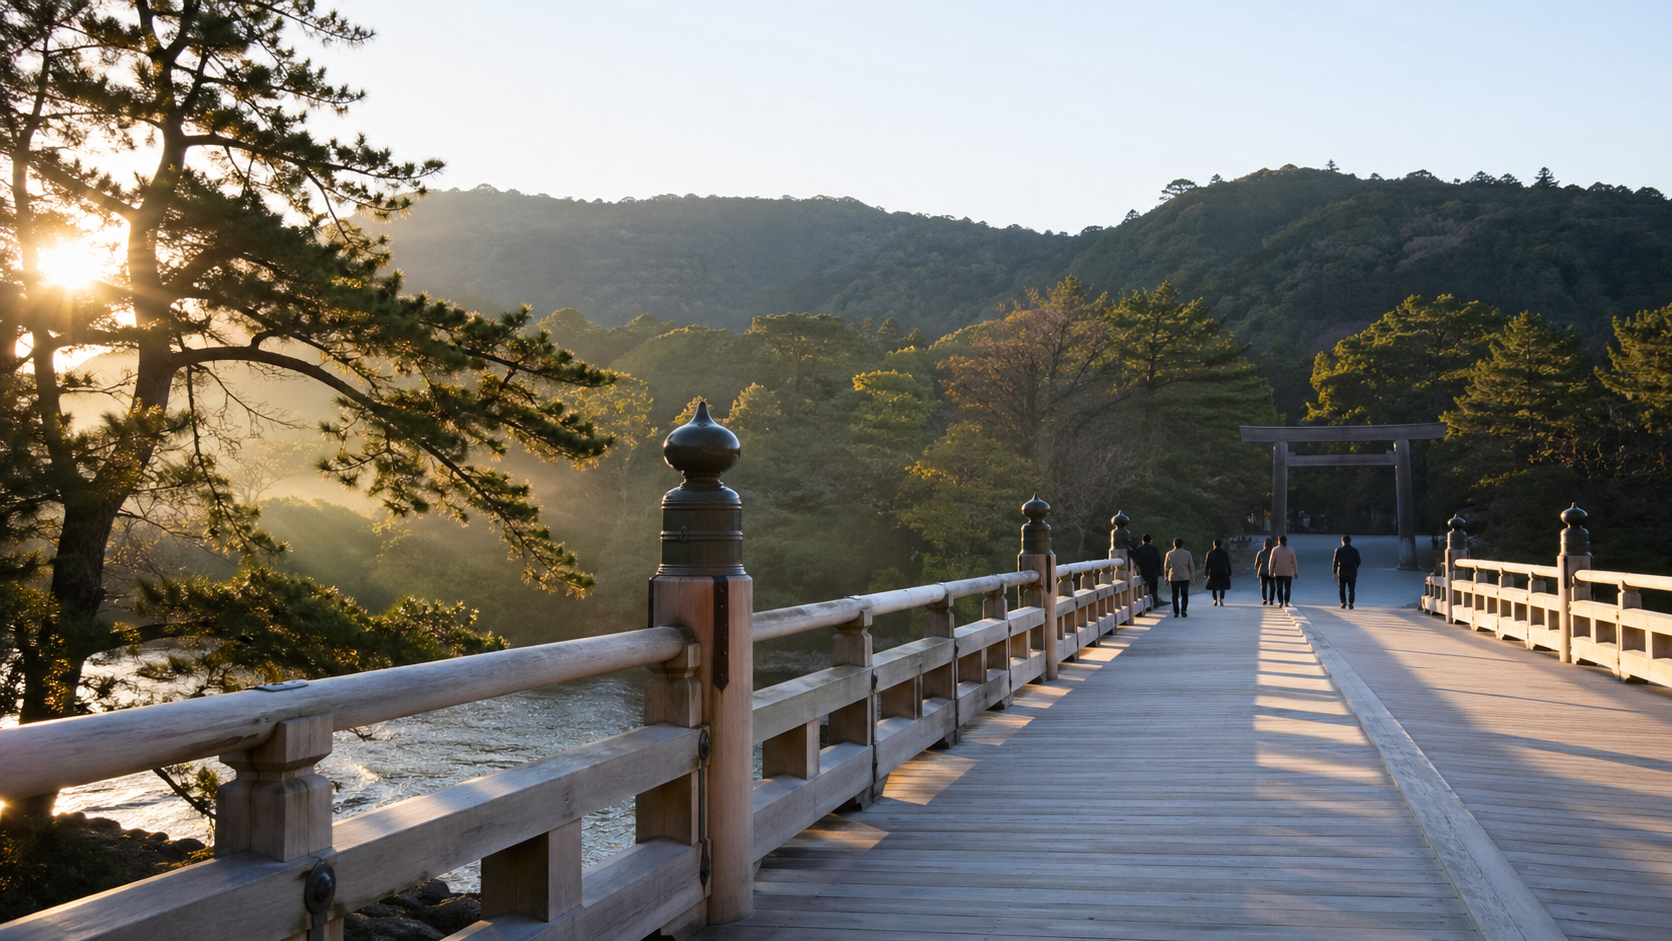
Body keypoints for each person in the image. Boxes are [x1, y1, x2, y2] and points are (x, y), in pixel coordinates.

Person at [1164, 537, 1196, 618]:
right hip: (1185, 577)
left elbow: (1166, 567)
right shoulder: (1187, 553)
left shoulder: (1169, 554)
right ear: (1182, 545)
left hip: (1174, 577)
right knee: (1184, 594)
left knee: (1175, 595)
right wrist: (1192, 577)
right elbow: (1191, 566)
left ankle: (1176, 612)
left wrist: (1166, 577)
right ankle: (1184, 610)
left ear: (1174, 544)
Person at [1132, 534, 1162, 608]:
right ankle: (1155, 602)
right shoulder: (1154, 549)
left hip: (1143, 571)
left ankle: (1147, 605)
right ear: (1151, 541)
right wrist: (1159, 572)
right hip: (1153, 571)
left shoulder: (1139, 549)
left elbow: (1136, 561)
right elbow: (1158, 561)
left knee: (1145, 588)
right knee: (1154, 588)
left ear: (1142, 541)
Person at [1333, 534, 1362, 609]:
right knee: (1352, 589)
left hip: (1341, 572)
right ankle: (1351, 603)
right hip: (1352, 572)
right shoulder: (1355, 551)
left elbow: (1335, 562)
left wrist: (1334, 572)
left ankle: (1343, 602)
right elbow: (1358, 561)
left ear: (1342, 541)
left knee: (1341, 588)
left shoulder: (1338, 551)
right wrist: (1355, 567)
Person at [1268, 534, 1298, 606]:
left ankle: (1280, 601)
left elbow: (1271, 562)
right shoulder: (1290, 550)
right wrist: (1295, 572)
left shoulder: (1275, 550)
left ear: (1279, 541)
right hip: (1288, 572)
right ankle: (1286, 601)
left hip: (1278, 572)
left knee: (1279, 588)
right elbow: (1294, 562)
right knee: (1288, 588)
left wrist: (1270, 571)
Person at [1204, 539, 1232, 606]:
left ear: (1214, 545)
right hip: (1223, 572)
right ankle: (1221, 600)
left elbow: (1207, 564)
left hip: (1213, 572)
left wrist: (1206, 573)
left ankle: (1215, 600)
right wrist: (1229, 573)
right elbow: (1228, 564)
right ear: (1220, 545)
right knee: (1222, 586)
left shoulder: (1210, 553)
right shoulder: (1224, 553)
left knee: (1214, 587)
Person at [1255, 537, 1275, 605]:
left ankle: (1264, 599)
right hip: (1272, 571)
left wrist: (1258, 569)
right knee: (1272, 586)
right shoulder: (1274, 553)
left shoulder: (1260, 553)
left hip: (1263, 571)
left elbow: (1256, 564)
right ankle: (1271, 599)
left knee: (1263, 586)